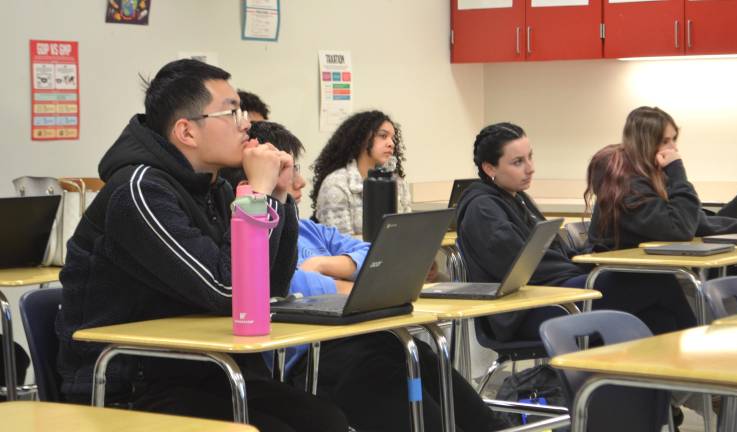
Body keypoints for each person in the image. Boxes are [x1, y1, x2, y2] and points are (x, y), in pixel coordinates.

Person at [55, 59, 347, 432]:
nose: (246, 124)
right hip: (129, 382)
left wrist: (278, 195)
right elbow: (226, 290)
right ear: (186, 132)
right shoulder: (139, 191)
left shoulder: (216, 188)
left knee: (325, 419)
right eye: (231, 112)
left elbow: (270, 288)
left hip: (201, 368)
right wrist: (257, 193)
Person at [242, 120, 508, 432]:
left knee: (418, 353)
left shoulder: (305, 228)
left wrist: (324, 264)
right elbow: (298, 288)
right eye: (288, 169)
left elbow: (373, 251)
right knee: (383, 368)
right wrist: (343, 280)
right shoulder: (255, 230)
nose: (299, 181)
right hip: (308, 356)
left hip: (352, 338)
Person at [457, 122, 697, 342]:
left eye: (530, 157)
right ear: (489, 168)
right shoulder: (482, 208)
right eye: (518, 162)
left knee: (654, 316)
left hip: (552, 293)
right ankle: (698, 361)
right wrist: (580, 267)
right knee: (659, 281)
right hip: (524, 311)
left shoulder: (515, 197)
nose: (530, 168)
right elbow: (522, 266)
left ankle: (669, 383)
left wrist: (585, 258)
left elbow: (553, 251)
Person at [586, 106, 737, 251]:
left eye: (674, 139)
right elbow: (680, 230)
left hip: (648, 268)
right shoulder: (624, 182)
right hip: (616, 272)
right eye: (665, 141)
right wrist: (676, 171)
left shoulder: (648, 175)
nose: (674, 148)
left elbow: (692, 221)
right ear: (645, 144)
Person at [310, 110, 411, 235]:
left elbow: (407, 232)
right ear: (363, 138)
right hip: (353, 255)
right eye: (383, 136)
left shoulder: (398, 183)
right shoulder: (336, 184)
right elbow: (340, 244)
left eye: (393, 138)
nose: (391, 144)